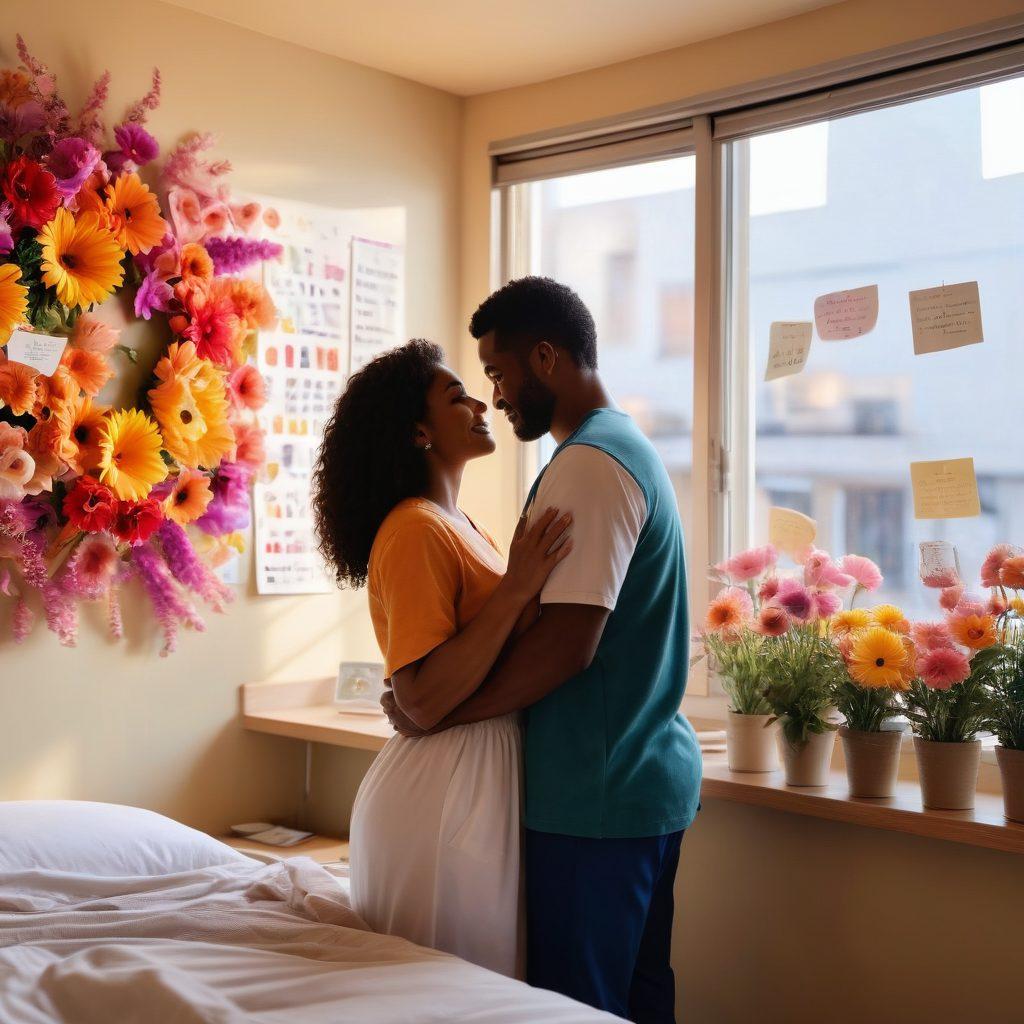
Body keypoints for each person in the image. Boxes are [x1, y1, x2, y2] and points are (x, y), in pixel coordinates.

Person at [383, 278, 702, 1024]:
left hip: (597, 792)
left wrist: (442, 713)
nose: (494, 395)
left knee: (576, 1009)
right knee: (638, 997)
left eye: (498, 373)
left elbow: (567, 646)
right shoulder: (620, 450)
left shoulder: (591, 464)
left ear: (548, 357)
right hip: (634, 779)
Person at [311, 338, 571, 978]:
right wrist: (516, 588)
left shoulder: (460, 525)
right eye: (458, 396)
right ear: (420, 431)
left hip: (475, 776)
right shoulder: (415, 529)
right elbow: (421, 698)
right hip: (444, 789)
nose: (481, 402)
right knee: (444, 991)